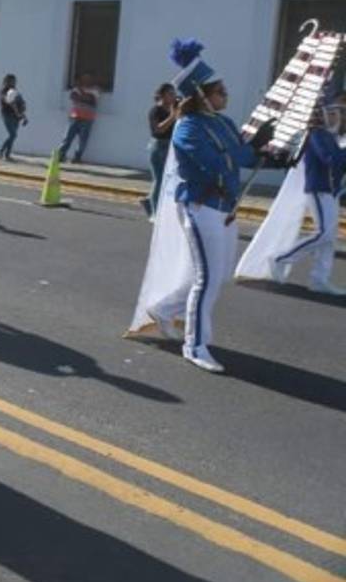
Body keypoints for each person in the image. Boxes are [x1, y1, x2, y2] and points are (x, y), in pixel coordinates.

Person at [128, 39, 274, 373]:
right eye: (220, 91)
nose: (226, 96)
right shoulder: (187, 128)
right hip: (200, 207)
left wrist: (275, 153)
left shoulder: (222, 123)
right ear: (202, 96)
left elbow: (242, 152)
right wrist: (254, 146)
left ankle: (163, 309)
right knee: (206, 279)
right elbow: (222, 162)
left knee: (216, 276)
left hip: (225, 209)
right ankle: (194, 345)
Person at [236, 93, 346, 295]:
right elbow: (330, 159)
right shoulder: (316, 135)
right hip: (318, 189)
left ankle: (319, 279)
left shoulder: (329, 136)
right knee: (323, 233)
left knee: (328, 238)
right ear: (321, 115)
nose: (337, 117)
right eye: (333, 113)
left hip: (329, 190)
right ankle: (280, 258)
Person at [142, 83, 179, 218]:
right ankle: (155, 212)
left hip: (170, 147)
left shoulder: (173, 110)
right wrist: (172, 116)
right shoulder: (155, 111)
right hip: (158, 146)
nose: (173, 96)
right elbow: (158, 129)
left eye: (174, 93)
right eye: (170, 94)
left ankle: (148, 201)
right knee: (159, 180)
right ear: (162, 96)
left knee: (168, 180)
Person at [57, 73, 99, 163]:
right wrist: (82, 96)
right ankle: (61, 155)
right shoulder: (76, 89)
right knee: (67, 137)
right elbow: (73, 97)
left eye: (88, 78)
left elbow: (91, 100)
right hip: (74, 116)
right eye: (84, 78)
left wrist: (80, 93)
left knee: (82, 140)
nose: (86, 80)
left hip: (87, 118)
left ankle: (77, 157)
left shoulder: (95, 90)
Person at [0, 74, 27, 161]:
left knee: (13, 136)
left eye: (14, 81)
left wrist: (23, 116)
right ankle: (1, 150)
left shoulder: (15, 91)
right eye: (11, 81)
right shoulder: (4, 91)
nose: (13, 83)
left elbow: (20, 104)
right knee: (13, 134)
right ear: (6, 81)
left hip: (15, 117)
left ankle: (7, 154)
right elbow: (10, 102)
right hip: (7, 115)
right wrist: (18, 113)